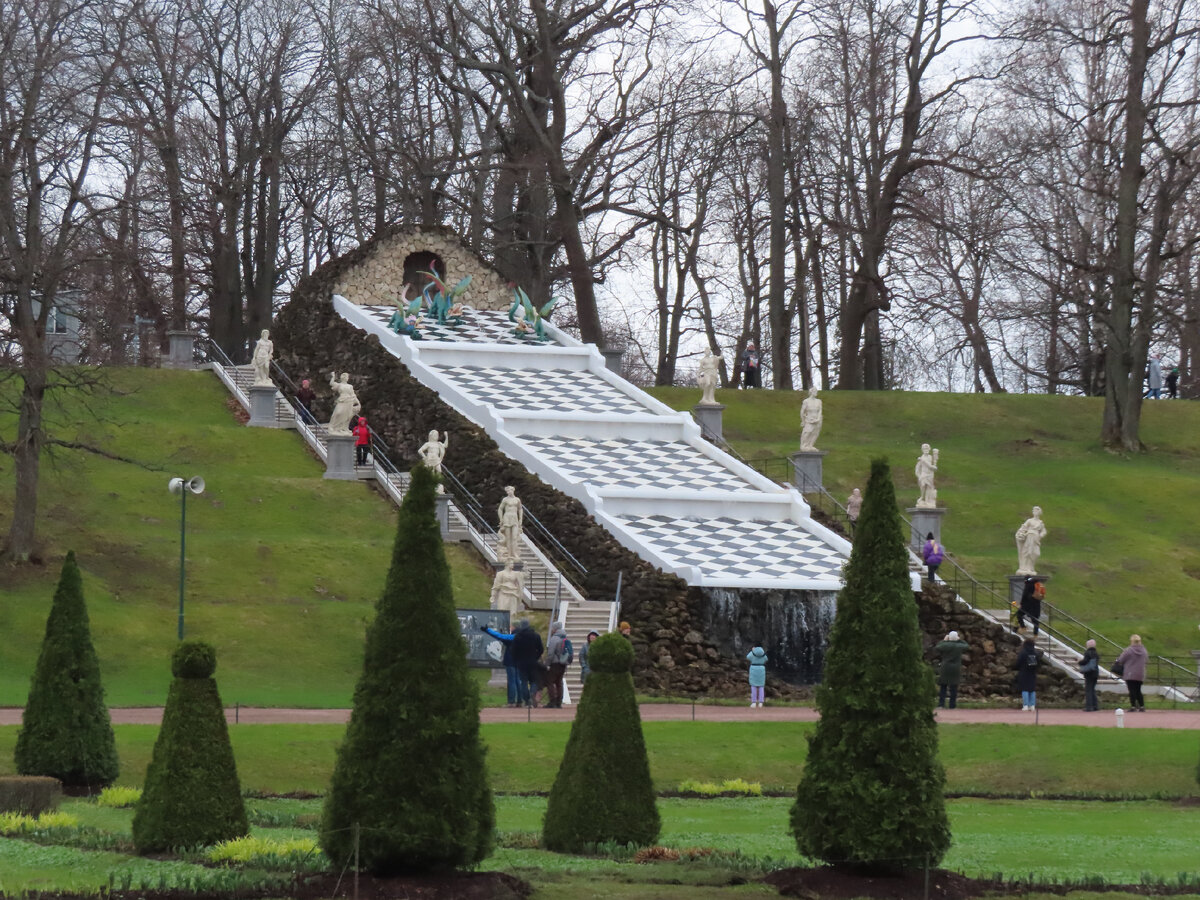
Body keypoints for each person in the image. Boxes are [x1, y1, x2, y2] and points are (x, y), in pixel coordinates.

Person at [482, 623, 522, 708]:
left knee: (512, 681)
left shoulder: (512, 637)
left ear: (514, 628)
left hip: (511, 661)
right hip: (519, 662)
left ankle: (511, 702)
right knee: (518, 681)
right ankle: (519, 701)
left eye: (511, 627)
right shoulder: (524, 638)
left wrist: (487, 630)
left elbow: (499, 636)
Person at [509, 618, 544, 708]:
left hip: (521, 663)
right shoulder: (535, 636)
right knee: (533, 681)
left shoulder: (518, 637)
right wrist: (536, 657)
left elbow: (513, 651)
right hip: (532, 662)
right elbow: (541, 649)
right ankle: (532, 693)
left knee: (523, 682)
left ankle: (527, 700)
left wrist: (517, 659)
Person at [1114, 634, 1148, 712]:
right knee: (1138, 690)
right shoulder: (1144, 651)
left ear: (1132, 641)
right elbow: (1146, 660)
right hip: (1140, 673)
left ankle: (1133, 706)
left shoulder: (1129, 650)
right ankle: (1142, 706)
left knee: (1132, 690)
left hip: (1130, 673)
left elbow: (1121, 660)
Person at [934, 631, 968, 709]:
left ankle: (941, 704)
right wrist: (959, 640)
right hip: (955, 668)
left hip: (945, 667)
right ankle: (952, 705)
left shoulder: (945, 645)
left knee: (943, 686)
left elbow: (938, 646)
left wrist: (944, 640)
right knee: (954, 687)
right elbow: (966, 646)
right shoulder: (959, 645)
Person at [544, 621, 571, 709]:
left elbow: (550, 653)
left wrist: (547, 664)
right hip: (563, 664)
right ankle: (559, 702)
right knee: (559, 683)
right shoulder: (565, 637)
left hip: (555, 664)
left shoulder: (554, 639)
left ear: (555, 629)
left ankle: (552, 701)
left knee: (549, 681)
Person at [1015, 506, 1047, 575]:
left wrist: (1040, 536)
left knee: (1036, 553)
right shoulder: (1030, 521)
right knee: (1028, 552)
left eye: (1036, 511)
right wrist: (1020, 534)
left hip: (1036, 538)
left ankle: (1031, 567)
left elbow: (1044, 531)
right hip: (1029, 537)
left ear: (1039, 512)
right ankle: (1026, 568)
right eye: (1034, 511)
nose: (1034, 512)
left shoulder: (1040, 523)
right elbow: (1023, 528)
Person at [497, 486, 524, 563]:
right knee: (508, 537)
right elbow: (500, 508)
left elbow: (520, 509)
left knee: (514, 537)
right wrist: (501, 519)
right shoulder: (505, 499)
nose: (508, 492)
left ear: (513, 490)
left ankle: (514, 553)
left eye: (509, 491)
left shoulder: (517, 499)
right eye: (507, 491)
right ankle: (509, 554)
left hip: (514, 518)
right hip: (507, 518)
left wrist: (520, 519)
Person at [1014, 636, 1041, 711]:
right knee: (1032, 689)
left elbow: (1018, 662)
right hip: (1033, 672)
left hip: (1024, 672)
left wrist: (1017, 667)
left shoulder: (1023, 652)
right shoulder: (1036, 653)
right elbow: (1039, 663)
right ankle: (1032, 705)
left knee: (1024, 689)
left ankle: (1025, 705)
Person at [1079, 639, 1101, 712]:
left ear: (1087, 645)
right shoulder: (1096, 653)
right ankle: (1095, 706)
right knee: (1092, 689)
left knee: (1088, 690)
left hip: (1089, 673)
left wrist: (1079, 662)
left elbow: (1085, 661)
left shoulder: (1087, 653)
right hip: (1095, 673)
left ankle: (1089, 706)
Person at [914, 443, 939, 508]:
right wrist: (919, 476)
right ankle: (922, 497)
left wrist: (934, 467)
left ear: (929, 449)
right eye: (925, 448)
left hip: (930, 475)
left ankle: (928, 501)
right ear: (922, 450)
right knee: (923, 486)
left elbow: (933, 467)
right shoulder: (921, 458)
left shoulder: (930, 457)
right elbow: (917, 468)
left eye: (927, 448)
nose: (926, 450)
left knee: (929, 487)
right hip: (923, 475)